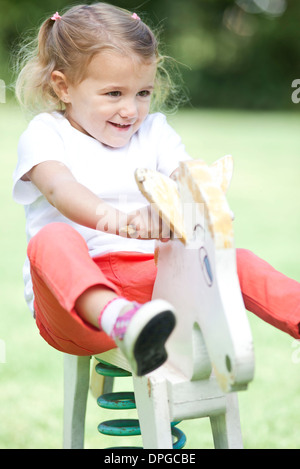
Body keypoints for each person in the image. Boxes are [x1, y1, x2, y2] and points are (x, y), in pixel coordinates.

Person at [13, 4, 300, 377]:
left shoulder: (154, 132)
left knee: (235, 261)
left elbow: (187, 177)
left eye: (143, 93)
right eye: (114, 93)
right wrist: (124, 223)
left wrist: (191, 203)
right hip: (77, 310)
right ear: (63, 86)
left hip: (156, 289)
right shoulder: (46, 133)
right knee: (51, 239)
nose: (131, 110)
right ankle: (122, 320)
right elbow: (59, 188)